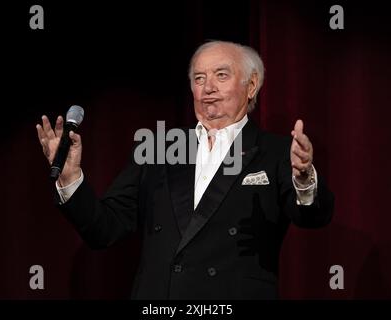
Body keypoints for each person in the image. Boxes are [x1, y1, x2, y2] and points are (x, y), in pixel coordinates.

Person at [36, 40, 334, 299]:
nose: (208, 88)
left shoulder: (277, 152)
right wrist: (70, 177)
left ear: (252, 85)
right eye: (199, 78)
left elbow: (312, 217)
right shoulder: (158, 149)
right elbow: (104, 229)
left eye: (221, 75)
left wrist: (304, 178)